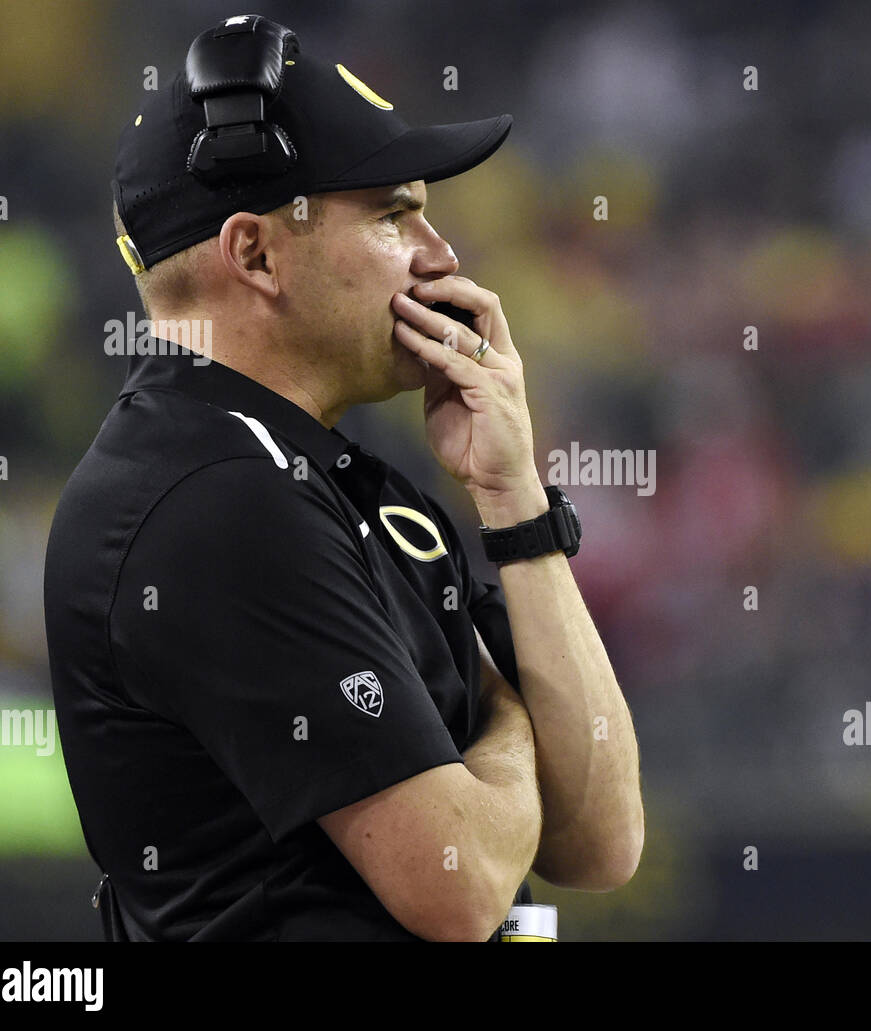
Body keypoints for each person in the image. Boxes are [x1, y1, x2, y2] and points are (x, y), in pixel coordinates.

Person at [43, 14, 643, 942]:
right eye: (396, 214)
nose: (441, 257)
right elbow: (460, 885)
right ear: (255, 253)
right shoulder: (211, 498)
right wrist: (512, 722)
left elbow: (601, 839)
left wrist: (516, 505)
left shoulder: (343, 470)